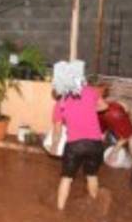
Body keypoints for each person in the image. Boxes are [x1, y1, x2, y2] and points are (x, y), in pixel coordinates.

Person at [47, 61, 111, 214]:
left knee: (66, 178)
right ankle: (95, 206)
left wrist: (55, 146)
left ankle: (59, 211)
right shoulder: (90, 91)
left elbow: (57, 130)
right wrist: (89, 109)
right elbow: (105, 106)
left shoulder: (60, 102)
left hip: (75, 144)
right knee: (91, 175)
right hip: (95, 144)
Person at [97, 86, 132, 168]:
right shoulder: (108, 108)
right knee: (131, 139)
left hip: (116, 114)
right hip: (113, 113)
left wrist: (114, 151)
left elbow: (126, 135)